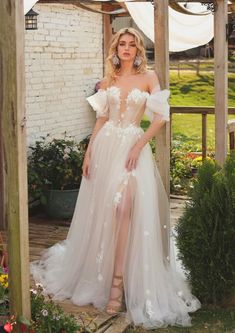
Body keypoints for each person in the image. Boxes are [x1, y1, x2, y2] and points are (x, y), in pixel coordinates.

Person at [31, 27, 200, 329]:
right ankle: (103, 273)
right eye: (121, 44)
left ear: (138, 50)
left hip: (131, 149)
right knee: (106, 210)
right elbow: (102, 118)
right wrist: (89, 152)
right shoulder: (108, 80)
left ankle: (118, 285)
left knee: (125, 207)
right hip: (106, 147)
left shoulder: (149, 79)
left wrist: (138, 144)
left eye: (131, 44)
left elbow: (161, 118)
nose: (126, 48)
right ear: (115, 48)